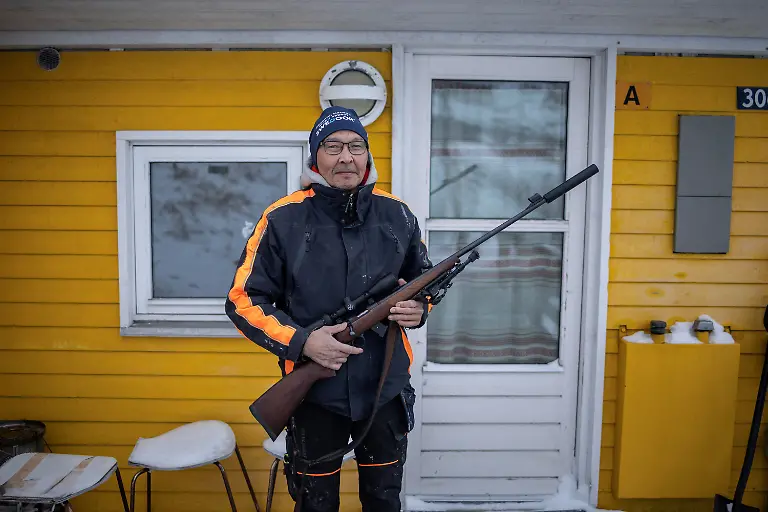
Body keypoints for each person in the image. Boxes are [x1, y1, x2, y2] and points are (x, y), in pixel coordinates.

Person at [225, 106, 433, 512]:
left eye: (356, 146)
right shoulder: (282, 218)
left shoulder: (397, 214)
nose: (345, 157)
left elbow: (422, 279)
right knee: (315, 504)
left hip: (384, 390)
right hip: (315, 396)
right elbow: (243, 300)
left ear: (367, 155)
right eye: (333, 145)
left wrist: (419, 309)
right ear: (315, 157)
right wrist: (303, 342)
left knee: (384, 500)